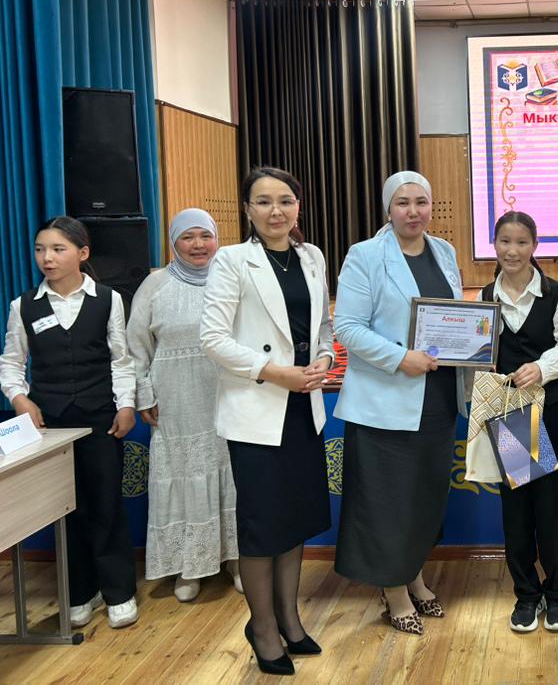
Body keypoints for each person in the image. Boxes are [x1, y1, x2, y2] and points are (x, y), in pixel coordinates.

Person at [201, 167, 334, 676]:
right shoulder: (233, 260)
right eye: (263, 201)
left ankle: (289, 620)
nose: (275, 211)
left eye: (285, 200)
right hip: (258, 408)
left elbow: (322, 327)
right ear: (247, 210)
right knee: (261, 525)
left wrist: (323, 359)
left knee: (294, 520)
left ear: (299, 205)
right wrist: (276, 372)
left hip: (303, 406)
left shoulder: (312, 256)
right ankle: (261, 627)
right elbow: (213, 339)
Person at [333, 171, 466, 636]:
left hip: (438, 397)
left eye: (421, 202)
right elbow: (347, 327)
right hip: (385, 400)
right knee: (386, 500)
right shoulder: (365, 256)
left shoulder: (444, 251)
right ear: (388, 209)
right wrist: (398, 358)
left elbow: (453, 318)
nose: (413, 212)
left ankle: (415, 576)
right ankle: (393, 592)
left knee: (423, 496)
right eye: (403, 203)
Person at [0, 217, 138, 629]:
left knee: (106, 504)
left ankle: (119, 592)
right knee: (65, 508)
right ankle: (80, 590)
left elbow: (122, 359)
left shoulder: (108, 300)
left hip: (100, 419)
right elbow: (11, 363)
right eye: (40, 249)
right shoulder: (23, 306)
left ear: (82, 253)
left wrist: (126, 404)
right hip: (50, 425)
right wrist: (20, 398)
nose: (47, 258)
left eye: (58, 249)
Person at [478, 211, 558, 633]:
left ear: (534, 246)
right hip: (513, 413)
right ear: (494, 245)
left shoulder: (553, 293)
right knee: (519, 507)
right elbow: (477, 353)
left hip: (555, 409)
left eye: (521, 242)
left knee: (557, 506)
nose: (512, 251)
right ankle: (526, 594)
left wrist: (542, 368)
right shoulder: (485, 296)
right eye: (505, 242)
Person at [127, 209, 240, 603]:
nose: (198, 245)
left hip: (228, 394)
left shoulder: (231, 277)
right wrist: (144, 393)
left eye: (205, 236)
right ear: (173, 242)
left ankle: (237, 560)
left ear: (216, 239)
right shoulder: (155, 284)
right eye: (188, 237)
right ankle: (189, 565)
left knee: (231, 474)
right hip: (175, 400)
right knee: (183, 473)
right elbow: (135, 345)